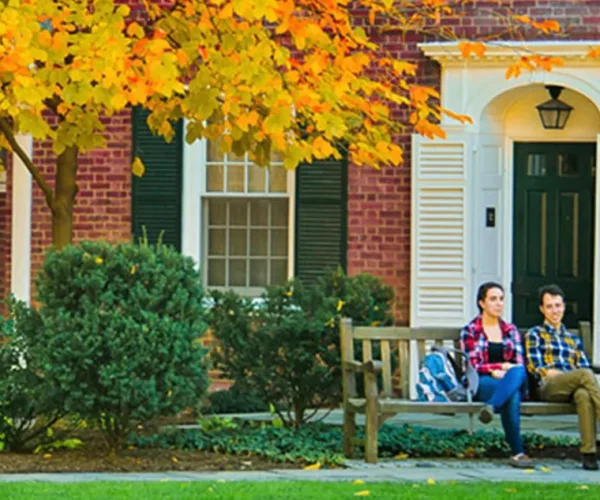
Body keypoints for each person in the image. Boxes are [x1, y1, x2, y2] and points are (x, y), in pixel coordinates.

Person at [526, 284, 600, 471]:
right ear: (542, 309)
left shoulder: (572, 339)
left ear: (564, 307)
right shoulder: (535, 334)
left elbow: (583, 368)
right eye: (549, 306)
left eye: (558, 305)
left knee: (583, 395)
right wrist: (569, 375)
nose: (554, 311)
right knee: (583, 376)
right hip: (548, 387)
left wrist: (573, 376)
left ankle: (588, 454)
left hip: (574, 385)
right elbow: (536, 368)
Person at [460, 282, 532, 468]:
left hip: (510, 379)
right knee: (512, 395)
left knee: (518, 372)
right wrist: (496, 369)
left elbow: (519, 364)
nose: (499, 303)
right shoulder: (471, 331)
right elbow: (472, 365)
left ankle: (491, 406)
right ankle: (518, 453)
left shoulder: (511, 330)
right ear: (482, 303)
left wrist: (507, 372)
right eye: (493, 299)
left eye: (501, 299)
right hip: (482, 381)